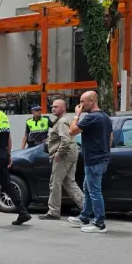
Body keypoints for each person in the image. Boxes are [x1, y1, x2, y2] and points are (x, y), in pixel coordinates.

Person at [0, 92, 31, 226]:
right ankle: (23, 212)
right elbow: (9, 138)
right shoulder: (3, 115)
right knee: (6, 184)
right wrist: (8, 155)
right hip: (3, 154)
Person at [68, 90, 112, 233]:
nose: (80, 105)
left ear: (92, 101)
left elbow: (72, 131)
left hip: (94, 160)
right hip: (101, 158)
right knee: (88, 188)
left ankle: (99, 224)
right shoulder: (105, 117)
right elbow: (110, 138)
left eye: (82, 101)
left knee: (94, 191)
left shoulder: (91, 117)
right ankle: (84, 217)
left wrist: (77, 115)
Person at [39, 98, 84, 220]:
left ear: (64, 108)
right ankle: (86, 208)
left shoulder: (62, 122)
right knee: (69, 182)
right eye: (52, 106)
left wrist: (58, 154)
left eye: (56, 107)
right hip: (71, 153)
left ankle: (53, 211)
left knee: (55, 183)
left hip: (64, 155)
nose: (53, 108)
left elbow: (65, 140)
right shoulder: (62, 120)